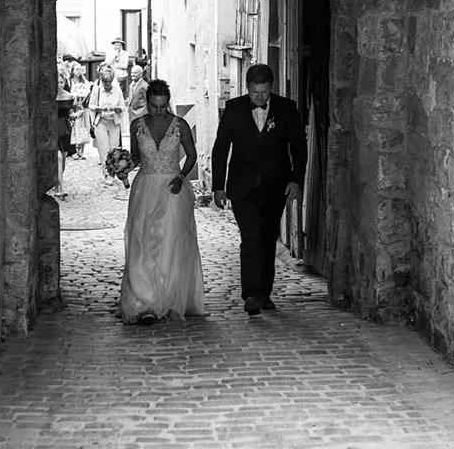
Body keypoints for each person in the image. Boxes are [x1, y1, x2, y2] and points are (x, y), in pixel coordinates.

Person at [211, 63, 307, 316]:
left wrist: (296, 180)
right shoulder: (234, 109)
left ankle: (264, 292)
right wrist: (218, 186)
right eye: (255, 93)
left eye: (264, 93)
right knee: (251, 238)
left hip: (276, 186)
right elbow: (221, 147)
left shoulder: (287, 109)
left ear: (271, 88)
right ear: (247, 88)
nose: (260, 97)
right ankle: (251, 294)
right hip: (243, 187)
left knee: (267, 238)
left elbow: (299, 147)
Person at [119, 79, 205, 324]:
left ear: (168, 103)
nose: (159, 111)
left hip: (171, 188)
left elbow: (192, 155)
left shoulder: (180, 125)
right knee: (142, 241)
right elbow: (136, 157)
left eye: (163, 106)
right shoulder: (137, 126)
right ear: (147, 103)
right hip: (145, 187)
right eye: (154, 106)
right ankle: (143, 301)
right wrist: (124, 167)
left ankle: (167, 297)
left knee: (169, 241)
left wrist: (181, 177)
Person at [89, 64, 125, 180]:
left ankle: (113, 170)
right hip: (101, 122)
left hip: (114, 122)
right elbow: (90, 105)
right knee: (104, 149)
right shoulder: (97, 90)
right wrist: (97, 108)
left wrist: (118, 109)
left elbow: (123, 106)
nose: (107, 85)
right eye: (105, 82)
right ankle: (107, 173)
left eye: (109, 82)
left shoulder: (117, 91)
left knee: (114, 148)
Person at [55, 64, 77, 199]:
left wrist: (74, 114)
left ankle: (58, 181)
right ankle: (60, 187)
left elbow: (71, 111)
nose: (59, 84)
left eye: (61, 82)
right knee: (57, 157)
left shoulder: (68, 96)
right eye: (57, 82)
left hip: (65, 129)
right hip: (53, 128)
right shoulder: (49, 97)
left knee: (62, 159)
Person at [69, 62, 92, 159]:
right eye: (76, 70)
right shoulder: (70, 82)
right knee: (75, 128)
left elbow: (88, 91)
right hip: (75, 107)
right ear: (73, 71)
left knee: (84, 128)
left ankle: (82, 150)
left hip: (83, 107)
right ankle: (75, 149)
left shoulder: (84, 81)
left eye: (80, 70)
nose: (79, 72)